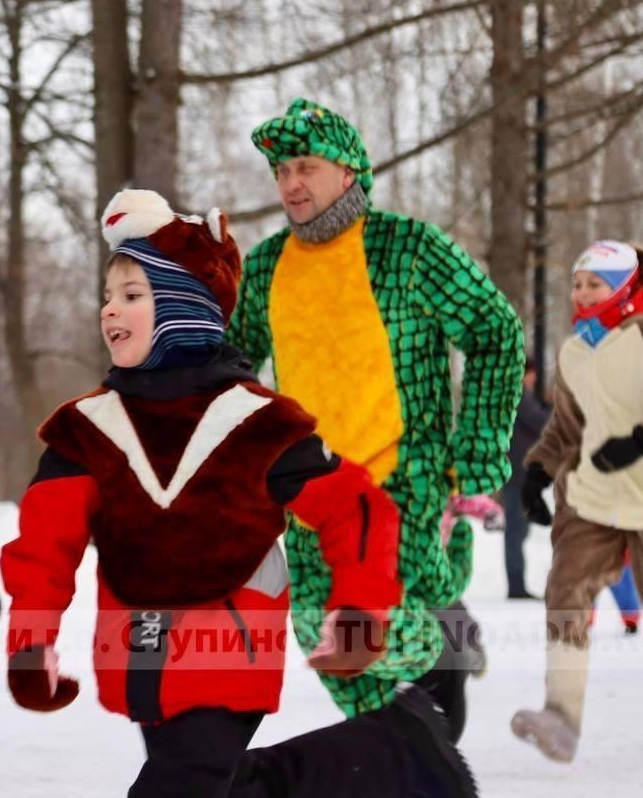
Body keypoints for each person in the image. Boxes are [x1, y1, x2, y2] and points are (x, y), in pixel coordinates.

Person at [1, 188, 479, 798]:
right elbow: (45, 542)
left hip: (229, 646)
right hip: (140, 655)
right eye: (107, 297)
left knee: (183, 785)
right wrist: (31, 637)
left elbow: (356, 508)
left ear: (181, 308)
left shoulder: (254, 422)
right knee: (227, 786)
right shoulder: (88, 428)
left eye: (131, 295)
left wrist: (359, 607)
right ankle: (398, 749)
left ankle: (402, 747)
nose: (108, 311)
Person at [227, 98, 524, 736]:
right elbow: (232, 365)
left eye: (305, 166)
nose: (291, 183)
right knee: (318, 631)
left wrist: (476, 445)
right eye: (281, 172)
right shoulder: (268, 265)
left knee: (370, 628)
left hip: (404, 483)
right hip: (312, 490)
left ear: (348, 170)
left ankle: (436, 670)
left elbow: (495, 330)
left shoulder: (409, 248)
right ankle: (409, 744)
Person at [514, 240, 643, 762]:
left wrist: (638, 440)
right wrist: (538, 472)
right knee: (565, 591)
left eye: (597, 284)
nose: (583, 293)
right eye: (578, 283)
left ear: (626, 289)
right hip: (591, 499)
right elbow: (566, 426)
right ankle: (561, 717)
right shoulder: (574, 350)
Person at [503, 358, 550, 599]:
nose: (533, 379)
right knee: (516, 529)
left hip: (520, 472)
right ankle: (516, 584)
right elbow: (542, 422)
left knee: (518, 529)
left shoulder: (520, 395)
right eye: (531, 374)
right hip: (519, 472)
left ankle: (516, 582)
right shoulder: (521, 395)